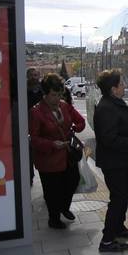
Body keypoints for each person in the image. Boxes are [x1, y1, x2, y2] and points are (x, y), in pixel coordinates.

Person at [94, 69, 128, 252]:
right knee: (117, 200)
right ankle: (107, 240)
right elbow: (109, 139)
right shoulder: (106, 108)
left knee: (123, 196)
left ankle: (119, 228)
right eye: (121, 83)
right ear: (113, 88)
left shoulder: (113, 103)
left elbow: (121, 130)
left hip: (121, 161)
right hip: (113, 163)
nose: (124, 86)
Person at [29, 73, 85, 229]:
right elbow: (34, 139)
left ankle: (64, 207)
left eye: (59, 94)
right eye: (53, 95)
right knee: (52, 191)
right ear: (45, 94)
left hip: (67, 156)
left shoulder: (64, 105)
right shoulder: (36, 112)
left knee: (72, 181)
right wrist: (53, 144)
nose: (57, 98)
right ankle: (53, 219)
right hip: (48, 160)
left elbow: (80, 121)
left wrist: (75, 128)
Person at [26, 68, 43, 187]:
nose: (34, 77)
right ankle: (29, 176)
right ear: (27, 76)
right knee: (28, 153)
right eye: (31, 75)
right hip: (26, 125)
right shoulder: (23, 89)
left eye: (36, 75)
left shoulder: (43, 89)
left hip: (42, 125)